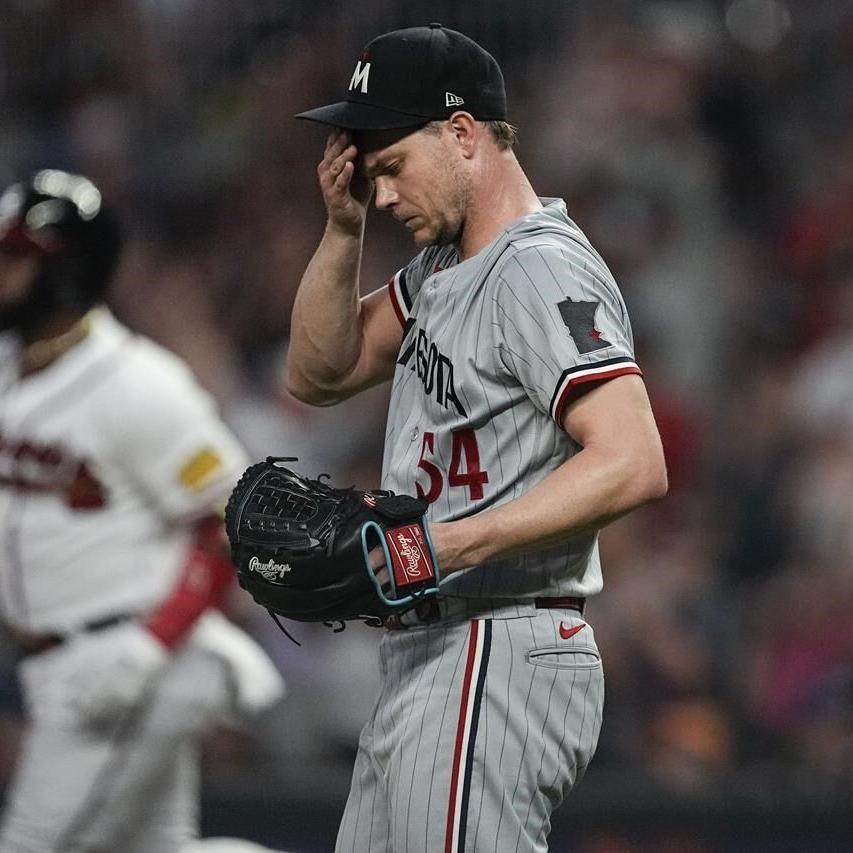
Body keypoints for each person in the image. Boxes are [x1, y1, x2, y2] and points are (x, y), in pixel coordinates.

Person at [288, 24, 668, 853]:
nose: (381, 193)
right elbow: (318, 371)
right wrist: (342, 231)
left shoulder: (537, 267)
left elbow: (634, 461)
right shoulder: (443, 266)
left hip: (497, 635)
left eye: (390, 166)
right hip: (437, 646)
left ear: (462, 135)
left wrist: (445, 543)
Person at [0, 169, 286, 853]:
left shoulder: (137, 382)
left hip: (129, 660)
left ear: (64, 270)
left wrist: (153, 639)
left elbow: (234, 516)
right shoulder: (10, 366)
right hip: (65, 661)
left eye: (14, 257)